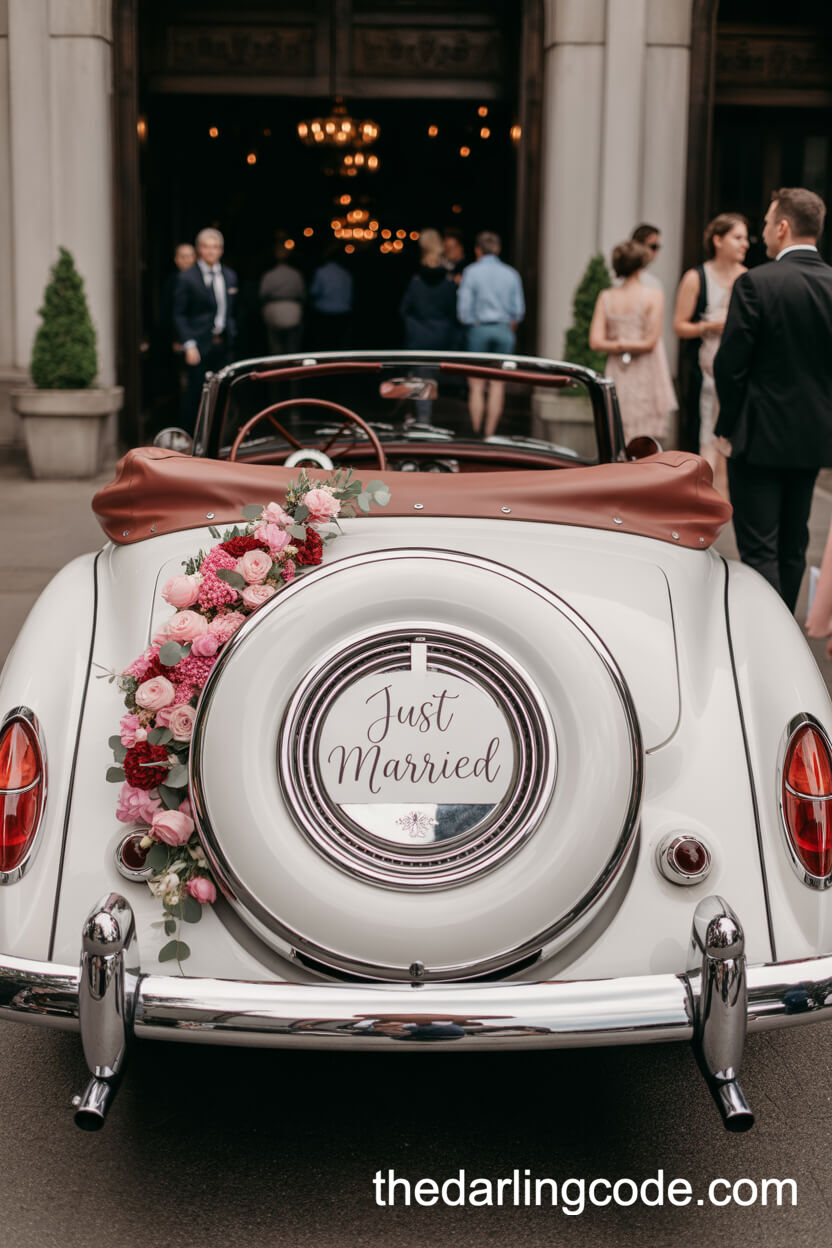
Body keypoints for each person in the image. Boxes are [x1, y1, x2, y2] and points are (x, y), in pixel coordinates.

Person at [714, 187, 832, 612]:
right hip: (813, 438)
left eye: (765, 223)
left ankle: (769, 632)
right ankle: (784, 626)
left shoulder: (755, 283)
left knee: (760, 546)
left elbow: (731, 366)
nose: (761, 232)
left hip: (758, 435)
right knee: (793, 543)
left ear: (782, 227)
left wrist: (728, 427)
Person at [673, 213, 749, 498]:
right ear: (718, 240)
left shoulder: (747, 278)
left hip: (738, 373)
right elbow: (679, 326)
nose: (745, 244)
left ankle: (724, 499)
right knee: (703, 435)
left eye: (745, 238)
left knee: (729, 443)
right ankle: (699, 498)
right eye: (737, 237)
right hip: (703, 371)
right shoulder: (696, 278)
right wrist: (708, 326)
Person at [588, 240, 676, 444]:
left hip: (618, 367)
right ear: (641, 265)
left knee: (619, 427)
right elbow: (650, 341)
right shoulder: (654, 296)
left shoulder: (606, 296)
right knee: (646, 437)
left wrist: (618, 344)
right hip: (647, 368)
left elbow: (596, 342)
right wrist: (628, 344)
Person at [457, 230, 525, 438]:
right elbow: (519, 311)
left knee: (476, 385)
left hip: (479, 329)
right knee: (498, 384)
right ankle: (490, 434)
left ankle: (476, 432)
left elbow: (463, 311)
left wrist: (473, 323)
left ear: (478, 250)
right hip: (503, 329)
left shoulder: (471, 272)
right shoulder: (511, 274)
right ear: (498, 250)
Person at [172, 228, 237, 434]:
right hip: (198, 344)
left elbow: (233, 310)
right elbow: (179, 314)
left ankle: (218, 438)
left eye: (216, 247)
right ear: (199, 249)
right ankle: (190, 438)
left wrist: (232, 332)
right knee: (196, 393)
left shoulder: (229, 276)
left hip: (223, 343)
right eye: (207, 247)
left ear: (221, 250)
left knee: (223, 393)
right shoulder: (187, 277)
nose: (211, 251)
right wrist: (188, 343)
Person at [399, 229, 458, 350]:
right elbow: (454, 312)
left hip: (418, 337)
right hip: (443, 337)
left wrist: (413, 326)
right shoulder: (448, 280)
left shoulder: (415, 280)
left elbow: (404, 309)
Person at [259, 244, 306, 357]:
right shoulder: (296, 274)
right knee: (292, 346)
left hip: (274, 310)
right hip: (292, 310)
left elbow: (262, 294)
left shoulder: (269, 275)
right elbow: (302, 294)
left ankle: (278, 364)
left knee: (275, 346)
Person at [308, 247, 353, 350]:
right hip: (342, 312)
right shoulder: (346, 273)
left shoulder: (322, 272)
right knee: (338, 344)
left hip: (325, 312)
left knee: (324, 344)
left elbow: (314, 291)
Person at [631, 223, 663, 290]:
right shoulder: (653, 284)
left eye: (658, 246)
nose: (657, 250)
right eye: (654, 246)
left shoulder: (652, 281)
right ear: (638, 245)